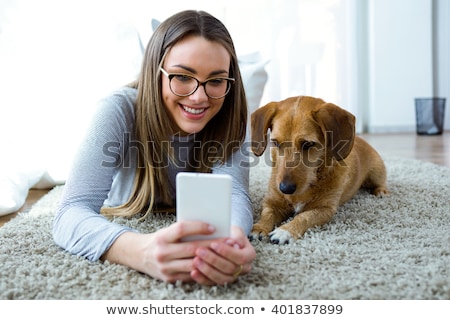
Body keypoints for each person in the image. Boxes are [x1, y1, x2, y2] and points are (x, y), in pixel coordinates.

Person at [52, 10, 256, 286]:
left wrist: (232, 239)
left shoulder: (232, 114)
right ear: (155, 72)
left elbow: (235, 193)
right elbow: (70, 212)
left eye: (216, 81)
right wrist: (140, 251)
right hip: (123, 208)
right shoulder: (117, 109)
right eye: (182, 77)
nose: (199, 97)